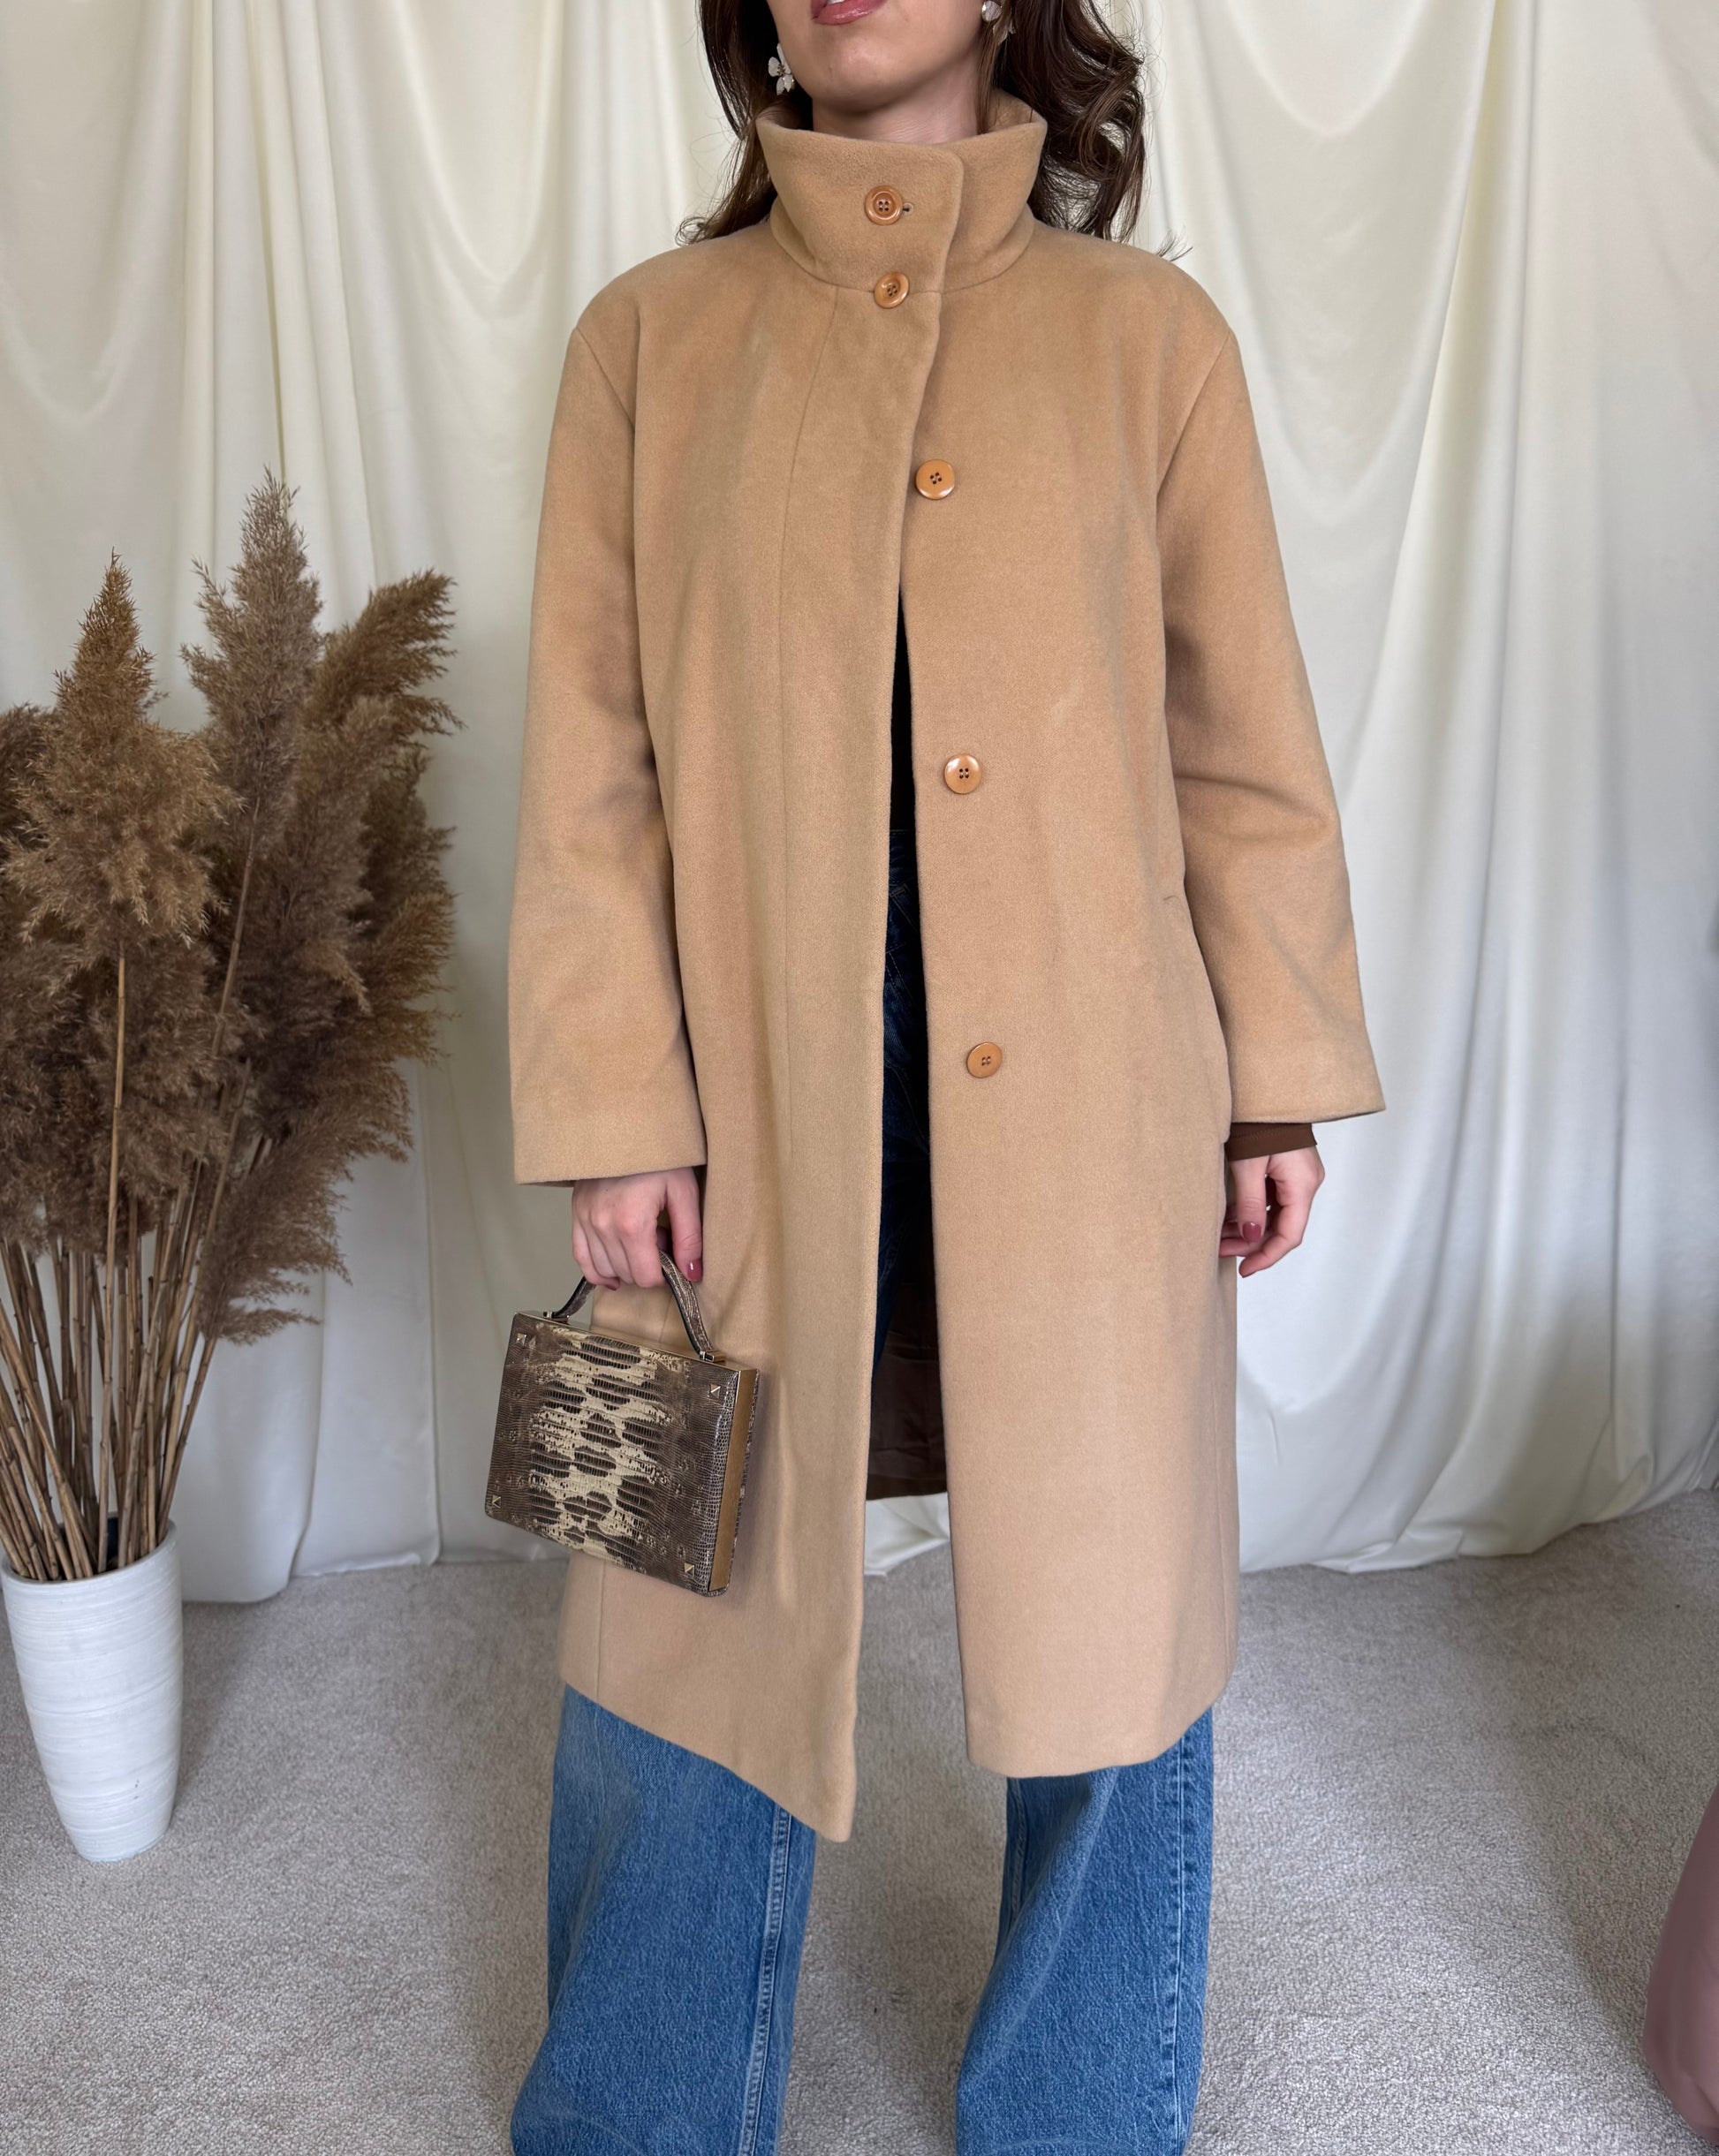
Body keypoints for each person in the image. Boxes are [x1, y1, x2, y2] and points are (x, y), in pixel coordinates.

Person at [505, 2, 1383, 2149]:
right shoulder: (649, 339)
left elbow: (1240, 752)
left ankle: (1079, 2116)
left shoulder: (1145, 337)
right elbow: (584, 774)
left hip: (1089, 1097)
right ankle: (626, 2116)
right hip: (725, 1104)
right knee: (655, 1605)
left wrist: (1268, 1081)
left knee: (1117, 1619)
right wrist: (613, 1108)